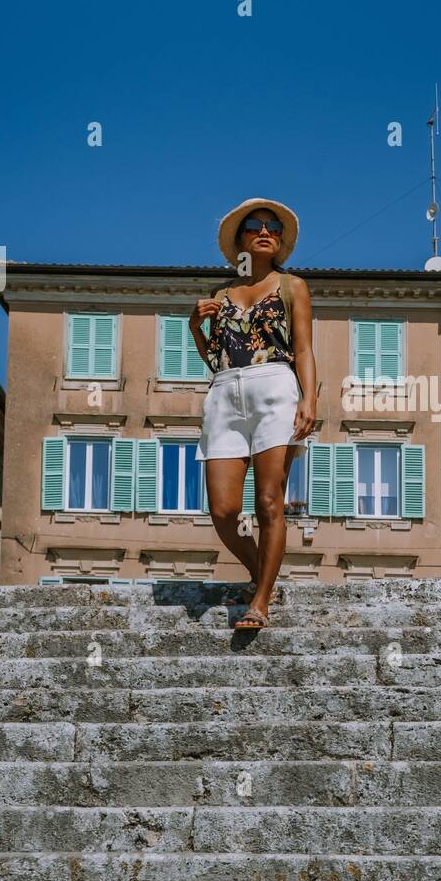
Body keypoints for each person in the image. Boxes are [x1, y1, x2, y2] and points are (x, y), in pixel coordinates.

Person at [190, 198, 316, 628]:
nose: (265, 230)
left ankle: (260, 600)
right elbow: (214, 359)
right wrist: (195, 327)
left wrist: (309, 399)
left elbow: (303, 348)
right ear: (240, 237)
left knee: (268, 503)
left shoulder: (292, 286)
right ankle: (260, 572)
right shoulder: (219, 294)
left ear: (279, 240)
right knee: (223, 511)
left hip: (275, 387)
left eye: (273, 226)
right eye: (254, 225)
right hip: (225, 392)